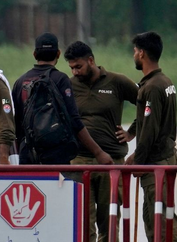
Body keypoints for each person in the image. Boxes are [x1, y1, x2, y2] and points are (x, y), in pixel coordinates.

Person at [64, 41, 138, 242]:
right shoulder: (69, 86)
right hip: (79, 160)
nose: (75, 72)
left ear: (91, 60)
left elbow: (148, 103)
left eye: (78, 66)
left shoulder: (116, 82)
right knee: (83, 217)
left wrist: (132, 132)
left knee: (109, 217)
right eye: (72, 68)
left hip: (111, 160)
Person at [125, 31, 177, 242]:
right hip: (164, 158)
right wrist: (130, 132)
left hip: (157, 163)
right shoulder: (163, 81)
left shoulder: (152, 86)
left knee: (162, 216)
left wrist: (137, 161)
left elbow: (150, 130)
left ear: (142, 52)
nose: (133, 55)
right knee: (155, 216)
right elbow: (146, 120)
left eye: (134, 51)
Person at [12, 33, 113, 166]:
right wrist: (98, 152)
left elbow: (16, 124)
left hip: (28, 154)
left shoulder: (20, 82)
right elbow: (74, 120)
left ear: (35, 54)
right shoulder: (60, 79)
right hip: (56, 154)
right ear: (58, 54)